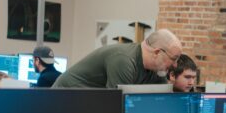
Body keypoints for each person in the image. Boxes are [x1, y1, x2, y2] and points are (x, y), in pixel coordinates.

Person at [52, 29, 182, 88]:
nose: (175, 65)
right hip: (65, 97)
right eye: (174, 58)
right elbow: (117, 108)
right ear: (157, 52)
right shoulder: (124, 60)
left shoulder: (157, 70)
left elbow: (159, 101)